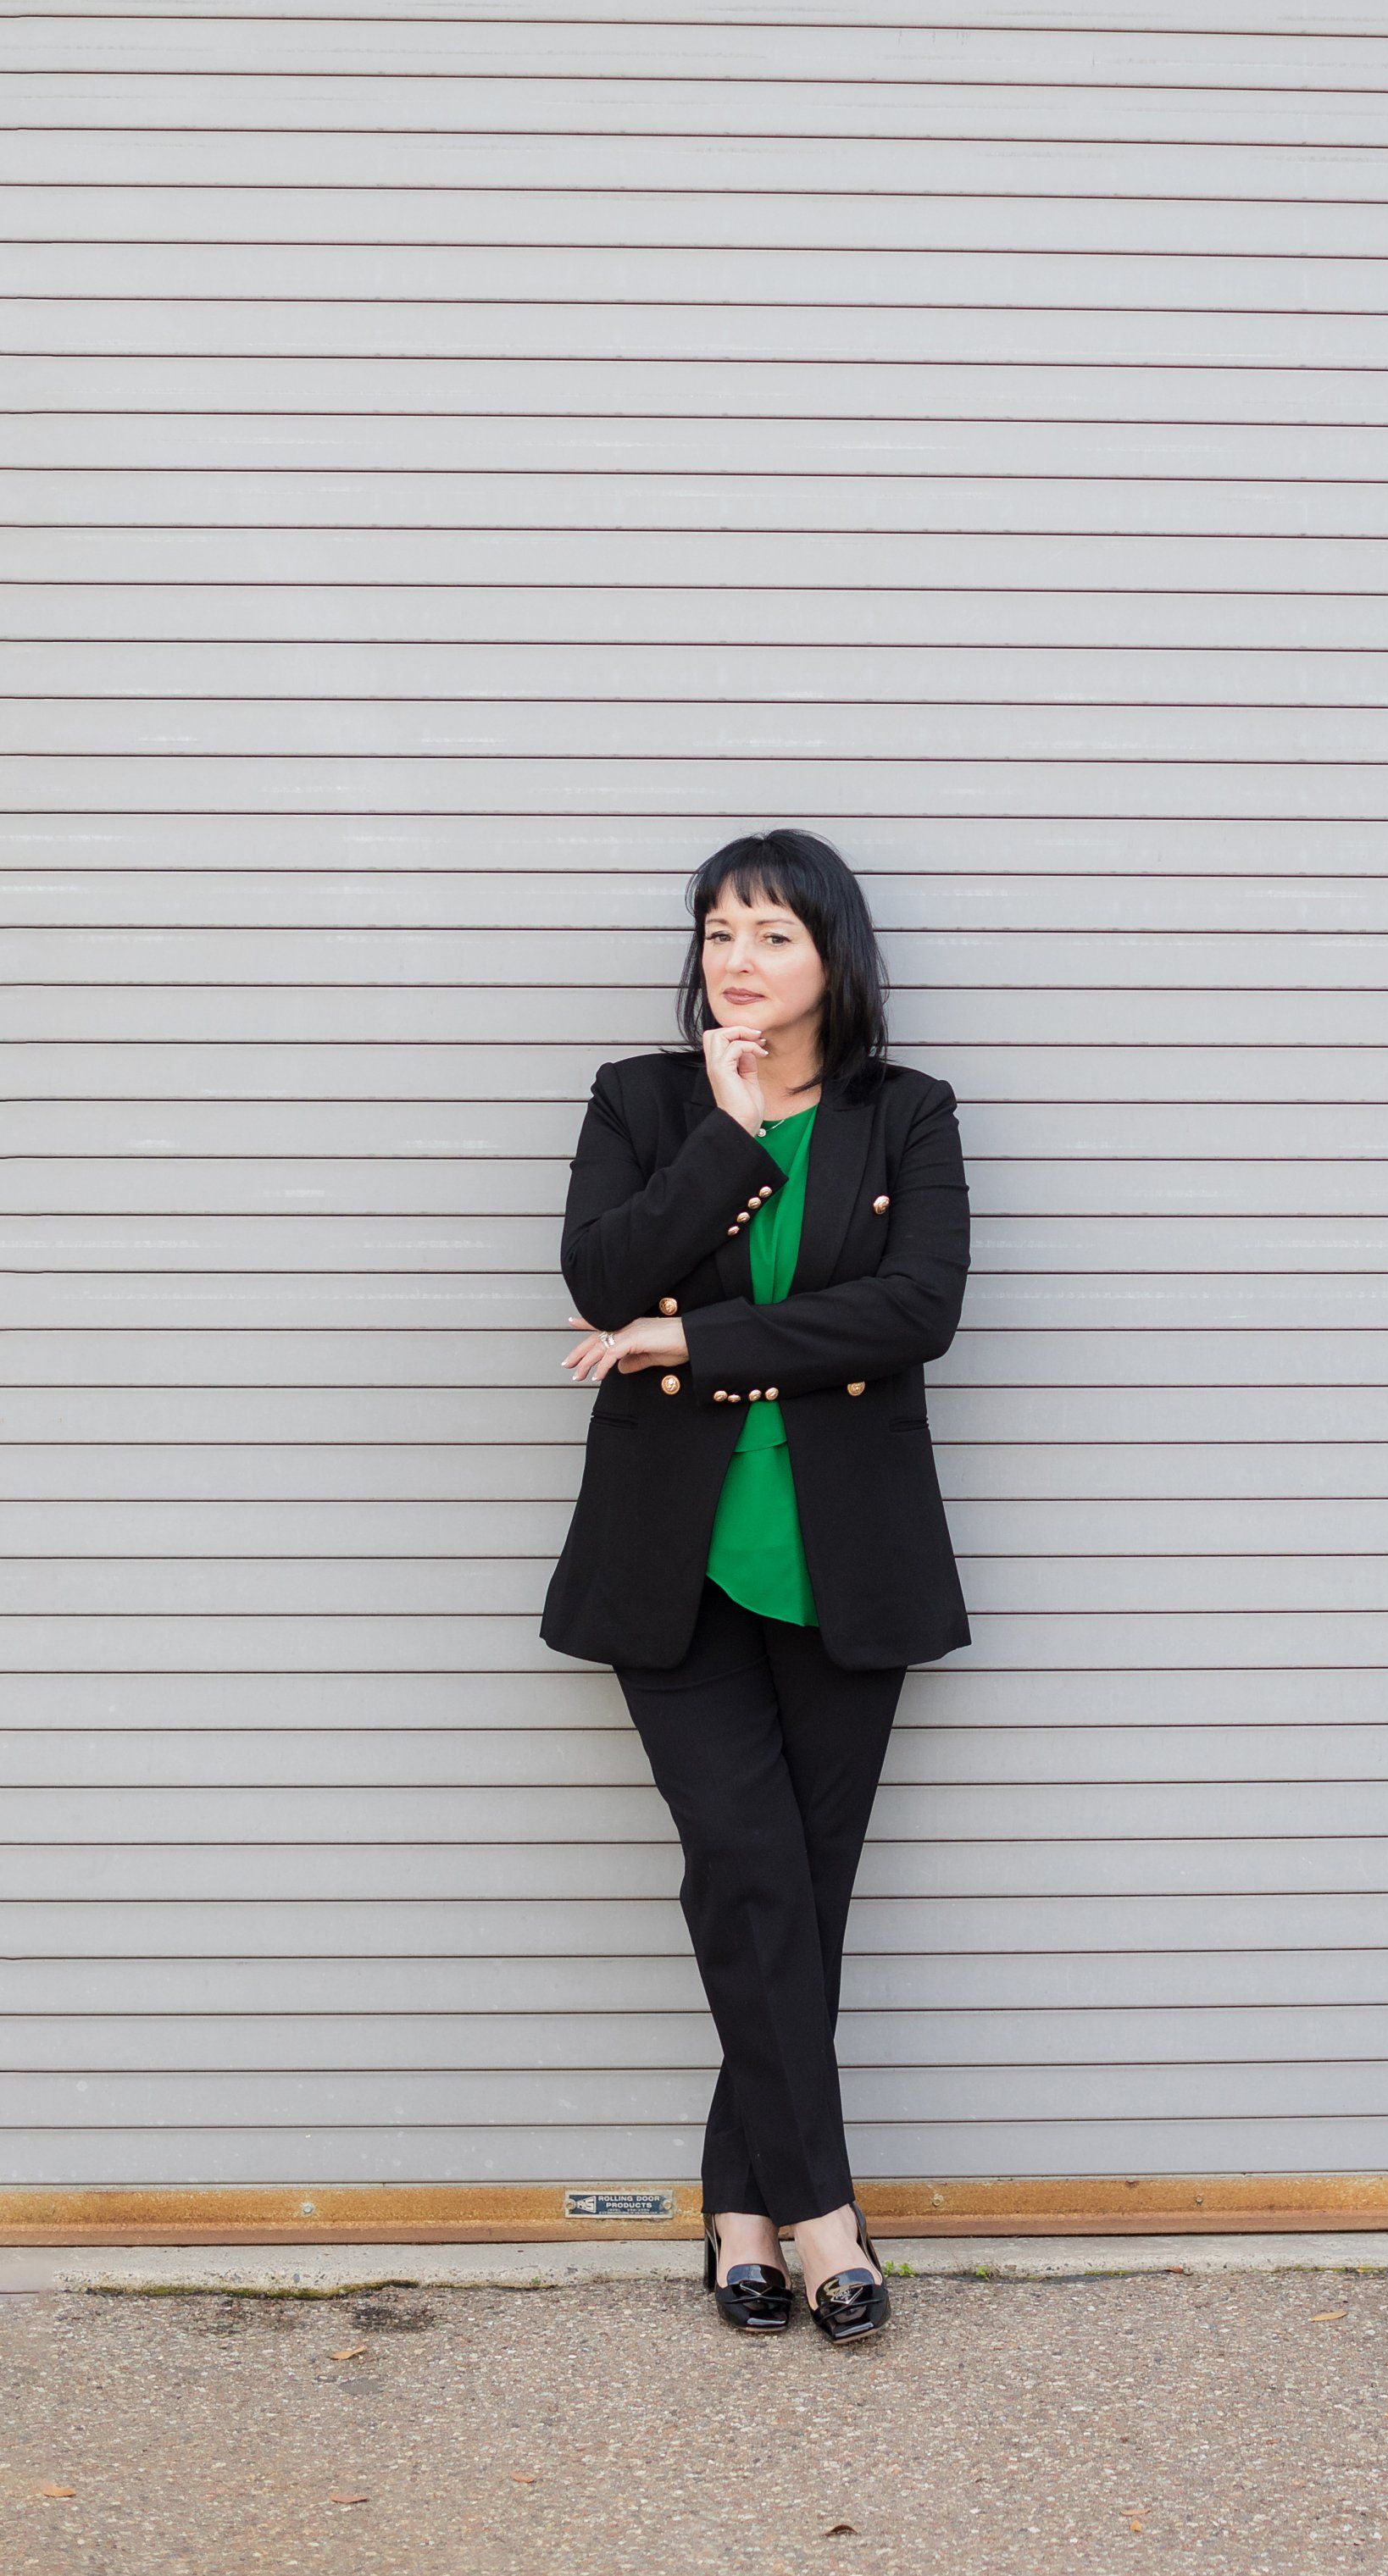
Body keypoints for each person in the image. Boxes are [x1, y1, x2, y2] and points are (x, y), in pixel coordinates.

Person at [539, 828, 972, 2343]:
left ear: (834, 956)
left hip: (847, 1561)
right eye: (720, 930)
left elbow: (914, 1310)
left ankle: (739, 2207)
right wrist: (725, 1134)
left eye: (773, 933)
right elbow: (603, 1276)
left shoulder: (905, 1113)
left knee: (797, 1889)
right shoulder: (641, 1099)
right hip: (673, 1561)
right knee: (751, 1867)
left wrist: (693, 1341)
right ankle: (826, 2216)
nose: (738, 957)